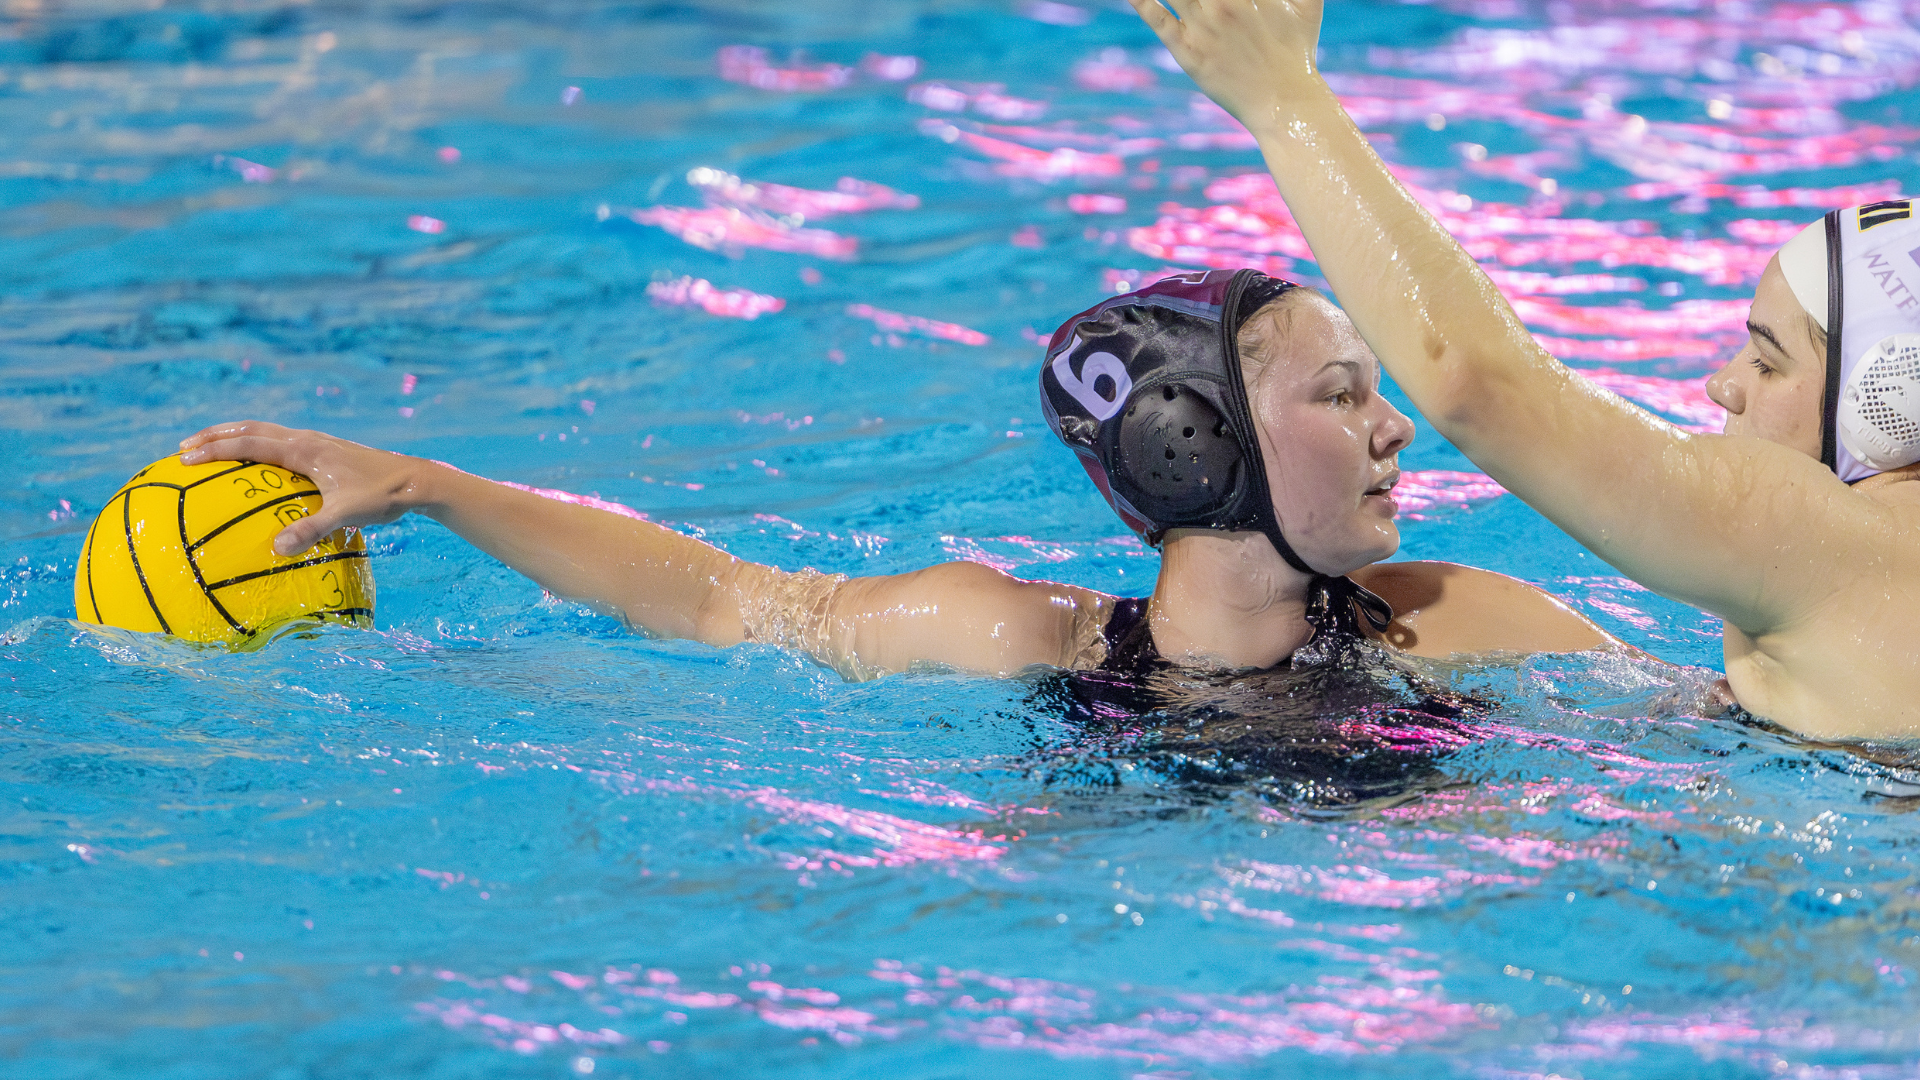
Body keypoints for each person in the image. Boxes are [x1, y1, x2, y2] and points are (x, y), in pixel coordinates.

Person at [177, 270, 1617, 681]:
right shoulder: (1017, 636)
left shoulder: (1457, 625)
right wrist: (429, 486)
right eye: (1342, 394)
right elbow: (720, 600)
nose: (1397, 432)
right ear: (1198, 447)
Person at [1126, 0, 1920, 738]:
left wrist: (1283, 100)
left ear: (1884, 399)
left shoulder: (1834, 542)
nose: (1725, 384)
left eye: (1770, 361)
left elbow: (1478, 385)